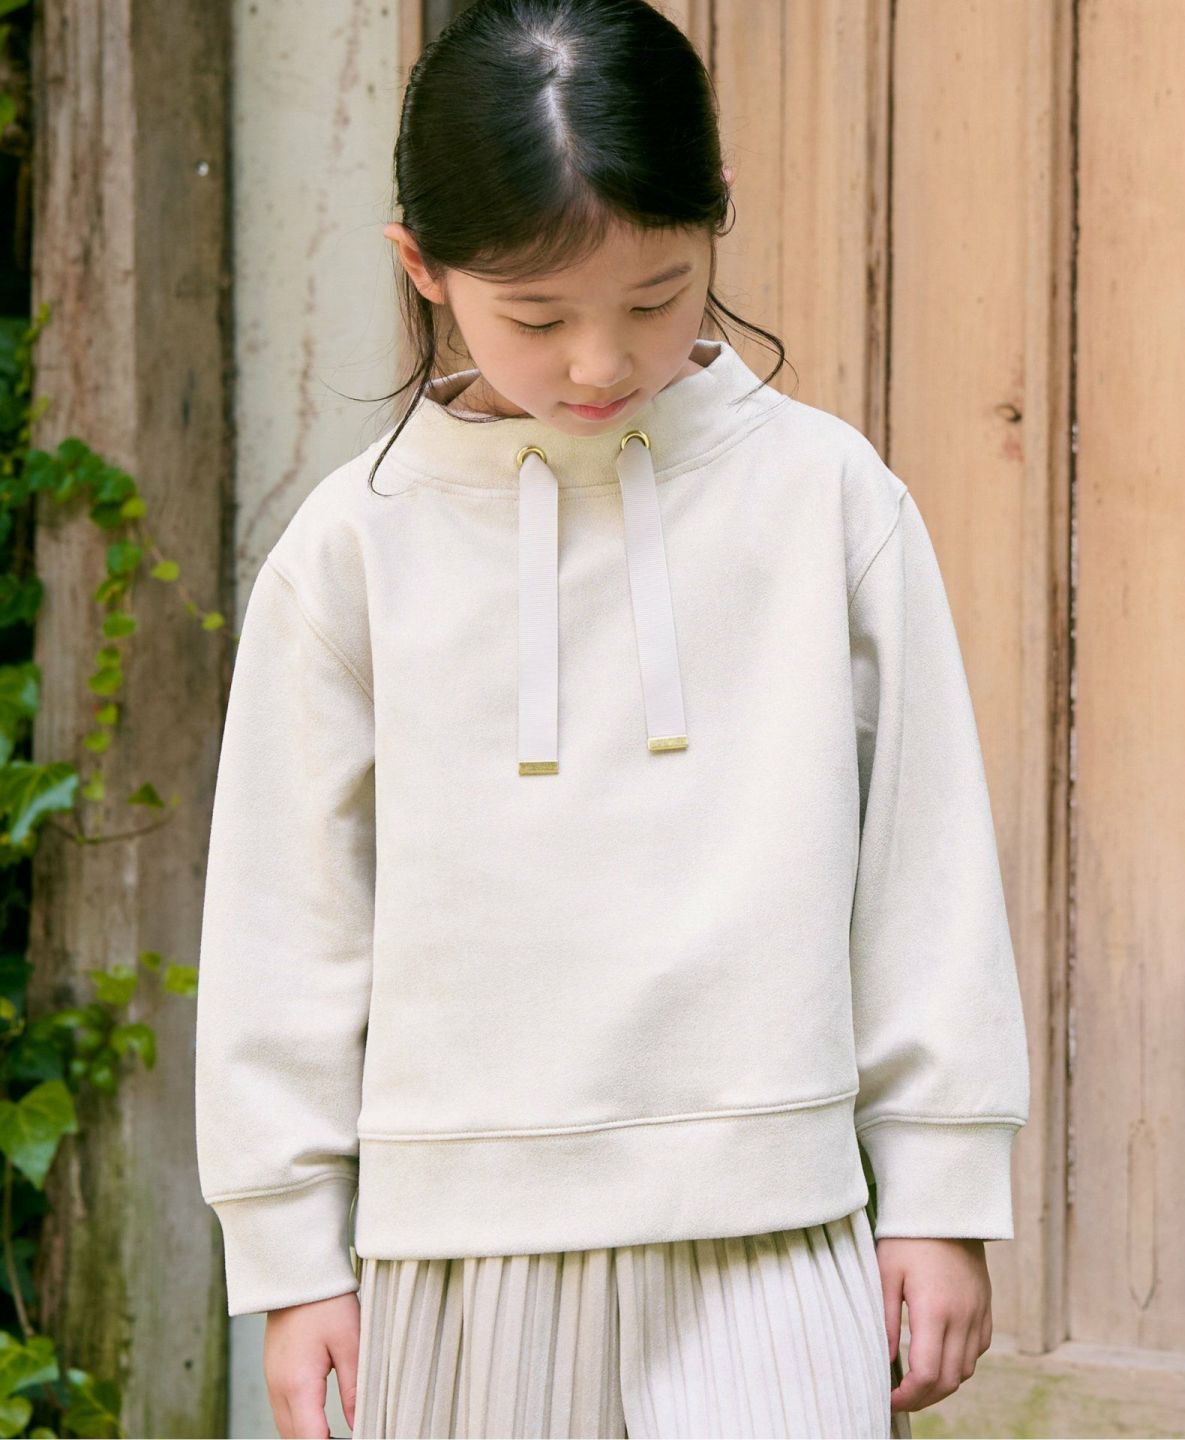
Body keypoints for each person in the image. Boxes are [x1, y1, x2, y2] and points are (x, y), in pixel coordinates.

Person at [193, 1, 1031, 1436]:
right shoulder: (355, 548)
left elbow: (927, 860)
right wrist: (291, 1256)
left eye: (658, 298)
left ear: (719, 220)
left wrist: (941, 1191)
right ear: (422, 266)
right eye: (537, 317)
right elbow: (287, 916)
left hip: (776, 1224)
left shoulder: (825, 498)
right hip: (454, 1248)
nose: (600, 361)